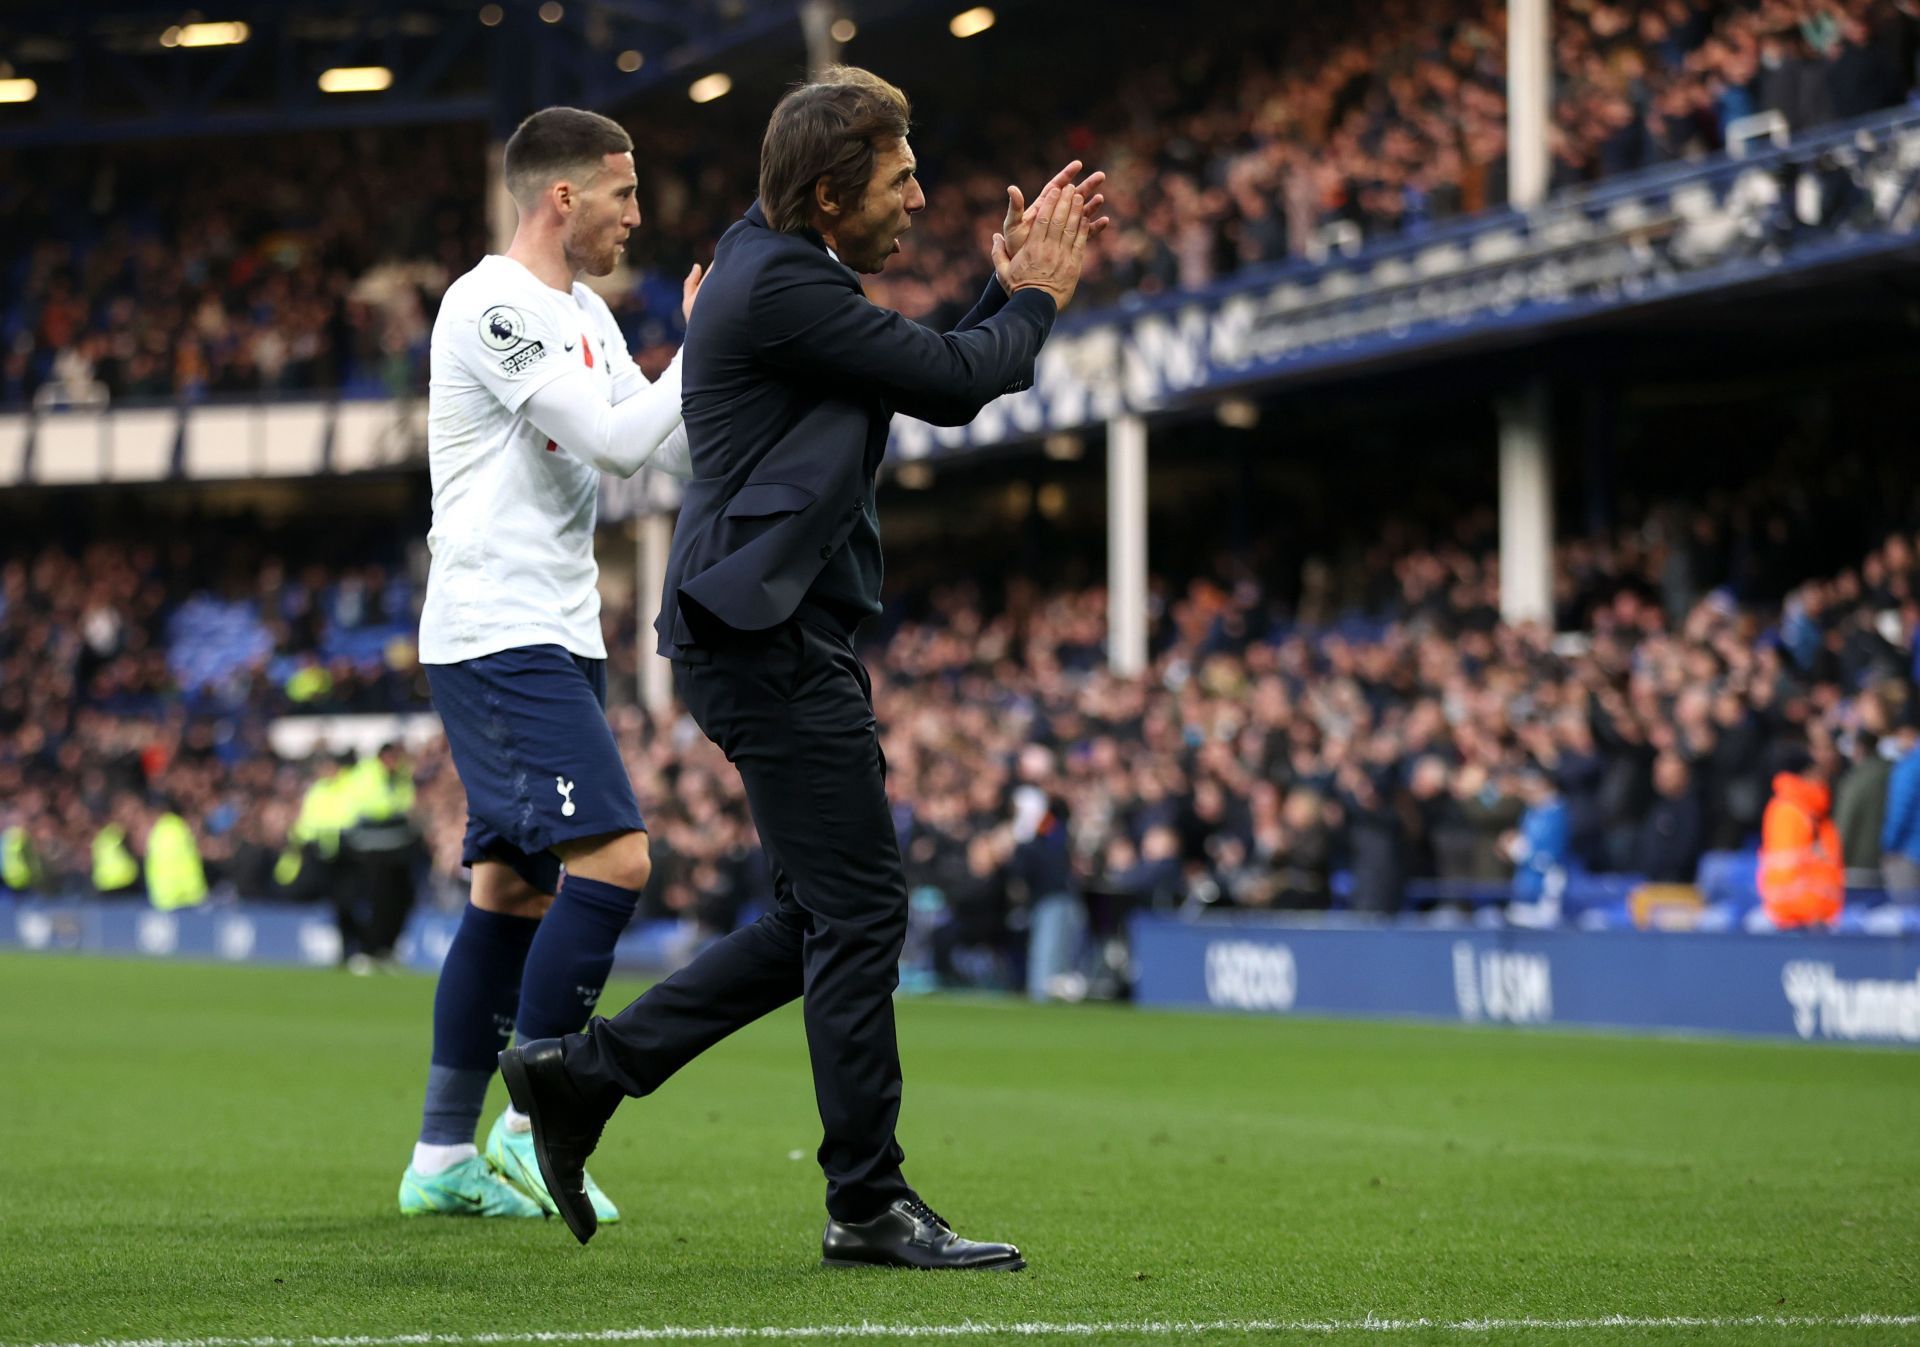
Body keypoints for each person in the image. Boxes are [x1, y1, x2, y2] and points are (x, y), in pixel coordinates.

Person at [498, 67, 1104, 1269]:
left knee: (813, 916)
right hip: (764, 640)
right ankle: (864, 1200)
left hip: (767, 635)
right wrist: (1031, 295)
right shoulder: (781, 287)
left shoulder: (780, 268)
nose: (922, 197)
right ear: (830, 194)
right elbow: (953, 381)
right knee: (864, 907)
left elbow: (929, 361)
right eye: (901, 175)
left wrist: (1002, 290)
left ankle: (582, 1078)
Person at [397, 106, 705, 1221]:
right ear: (562, 198)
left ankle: (441, 1160)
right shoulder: (490, 304)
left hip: (560, 631)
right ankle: (535, 1125)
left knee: (512, 888)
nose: (637, 216)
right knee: (616, 863)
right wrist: (705, 347)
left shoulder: (583, 313)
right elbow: (619, 439)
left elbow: (652, 436)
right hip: (496, 630)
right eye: (623, 195)